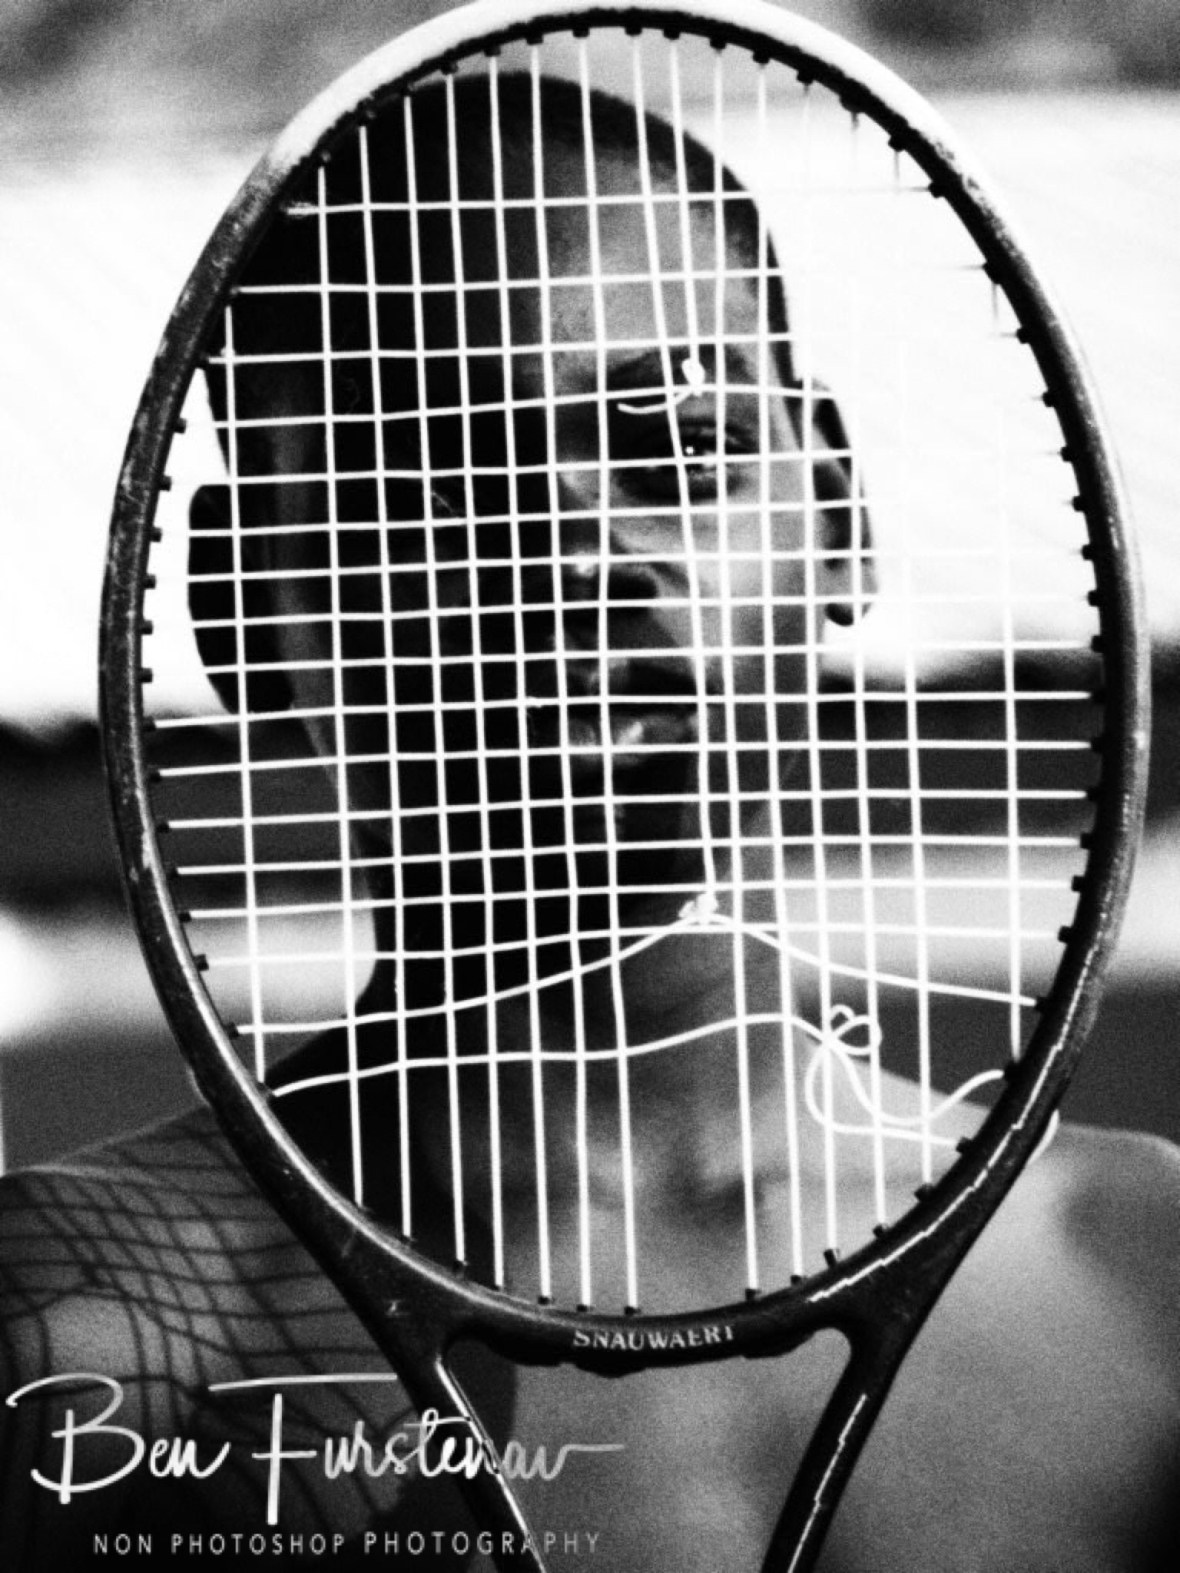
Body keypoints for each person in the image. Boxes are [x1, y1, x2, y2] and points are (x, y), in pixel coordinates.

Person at [2, 71, 1178, 1573]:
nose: (584, 555)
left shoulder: (1148, 1277)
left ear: (836, 512)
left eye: (679, 447)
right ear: (242, 606)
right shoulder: (61, 1332)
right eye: (442, 483)